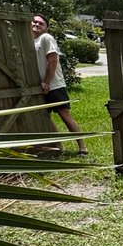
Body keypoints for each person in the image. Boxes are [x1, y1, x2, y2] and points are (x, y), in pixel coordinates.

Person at [31, 14, 87, 155]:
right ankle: (58, 146)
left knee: (64, 115)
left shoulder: (46, 38)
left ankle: (82, 147)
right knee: (45, 118)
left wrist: (47, 82)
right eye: (34, 22)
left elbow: (53, 60)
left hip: (54, 85)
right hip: (40, 87)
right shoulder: (31, 41)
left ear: (47, 28)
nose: (36, 24)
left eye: (41, 23)